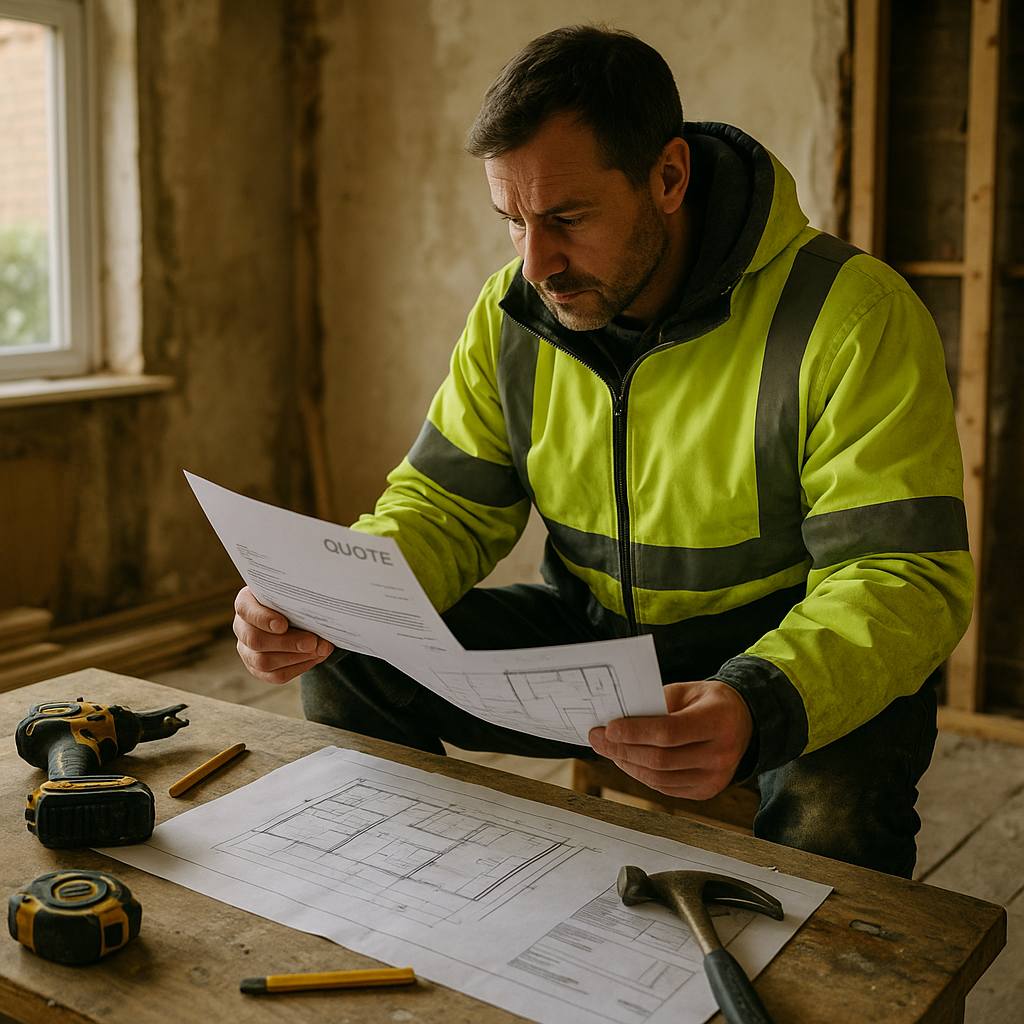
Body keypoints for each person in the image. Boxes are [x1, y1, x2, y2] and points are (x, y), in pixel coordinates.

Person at [234, 25, 973, 877]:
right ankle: (414, 914)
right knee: (348, 659)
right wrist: (332, 598)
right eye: (511, 221)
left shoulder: (853, 316)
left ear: (667, 177)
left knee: (835, 813)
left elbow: (904, 575)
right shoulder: (514, 311)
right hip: (595, 644)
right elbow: (443, 505)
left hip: (786, 661)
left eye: (566, 218)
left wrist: (756, 702)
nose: (536, 262)